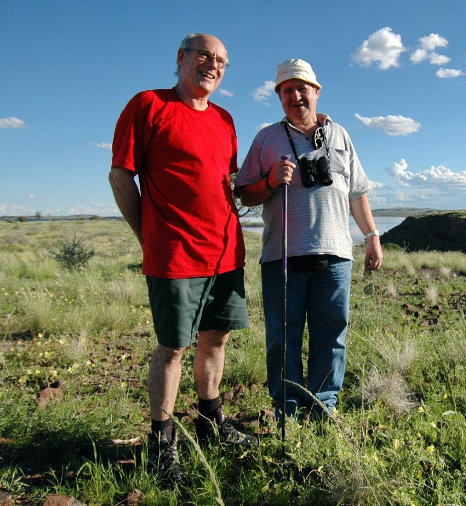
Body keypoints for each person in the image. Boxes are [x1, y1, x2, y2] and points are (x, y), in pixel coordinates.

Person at [109, 33, 253, 484]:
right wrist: (147, 237)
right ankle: (161, 442)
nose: (213, 65)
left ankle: (210, 423)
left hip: (225, 252)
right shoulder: (148, 104)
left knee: (217, 339)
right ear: (181, 58)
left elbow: (227, 182)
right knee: (173, 348)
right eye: (205, 56)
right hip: (173, 254)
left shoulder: (226, 119)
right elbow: (120, 175)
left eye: (222, 61)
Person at [235, 58, 383, 421]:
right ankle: (286, 410)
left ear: (317, 92)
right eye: (287, 90)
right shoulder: (267, 138)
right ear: (279, 97)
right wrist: (270, 181)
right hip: (282, 257)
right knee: (282, 340)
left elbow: (357, 193)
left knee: (331, 335)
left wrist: (372, 235)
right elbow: (245, 193)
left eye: (303, 89)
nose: (296, 96)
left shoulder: (341, 135)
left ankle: (322, 409)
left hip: (335, 256)